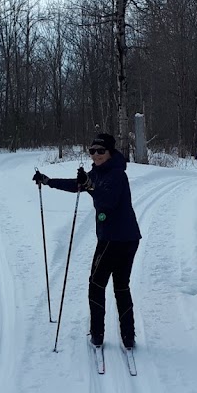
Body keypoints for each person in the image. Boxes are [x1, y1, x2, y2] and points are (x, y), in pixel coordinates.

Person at [32, 132, 141, 349]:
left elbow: (107, 200)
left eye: (101, 151)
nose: (96, 155)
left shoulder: (117, 174)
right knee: (121, 286)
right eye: (92, 151)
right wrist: (48, 181)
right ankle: (128, 336)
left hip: (114, 238)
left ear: (110, 152)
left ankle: (98, 334)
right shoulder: (100, 172)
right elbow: (78, 185)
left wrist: (90, 184)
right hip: (127, 238)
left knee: (96, 284)